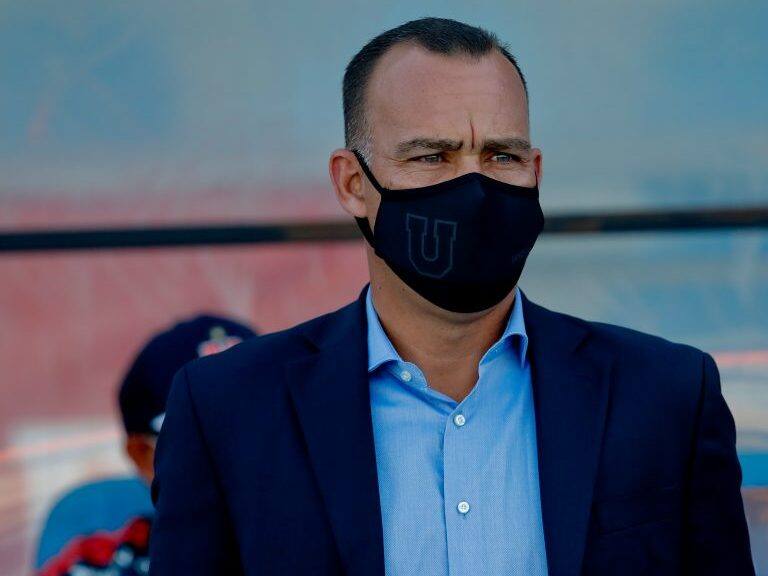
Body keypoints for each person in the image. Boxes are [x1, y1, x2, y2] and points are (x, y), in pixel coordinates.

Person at [149, 17, 755, 576]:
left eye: (502, 156)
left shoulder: (667, 395)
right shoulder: (228, 411)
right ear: (353, 183)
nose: (474, 189)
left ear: (535, 170)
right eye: (431, 157)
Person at [37, 315, 256, 576]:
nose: (249, 444)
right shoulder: (97, 567)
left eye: (271, 415)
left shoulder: (315, 537)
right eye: (207, 429)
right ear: (144, 456)